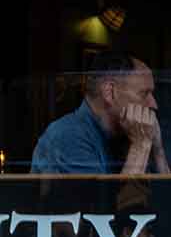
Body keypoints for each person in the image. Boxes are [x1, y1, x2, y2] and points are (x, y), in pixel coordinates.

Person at [32, 52, 164, 175]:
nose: (154, 104)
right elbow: (128, 200)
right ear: (109, 92)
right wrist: (140, 145)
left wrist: (158, 150)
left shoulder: (127, 133)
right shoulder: (68, 136)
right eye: (144, 93)